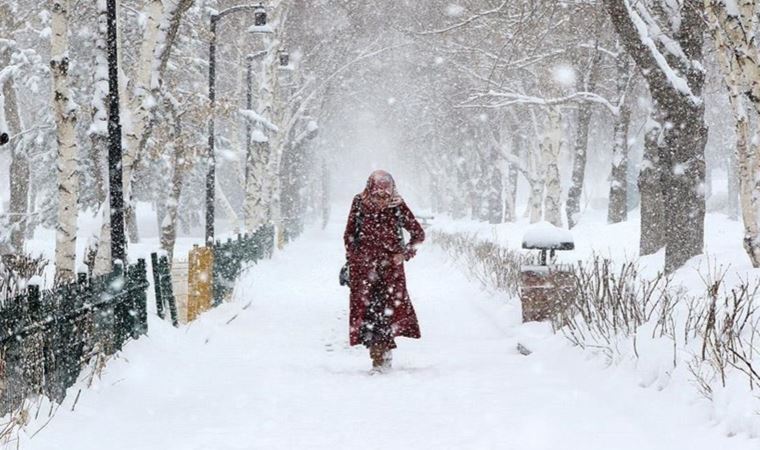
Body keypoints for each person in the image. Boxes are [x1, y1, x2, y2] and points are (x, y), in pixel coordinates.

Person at [343, 170, 425, 373]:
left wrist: (404, 254)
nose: (382, 199)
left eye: (385, 195)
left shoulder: (397, 205)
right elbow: (349, 234)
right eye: (378, 194)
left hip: (391, 273)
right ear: (370, 189)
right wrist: (356, 258)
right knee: (368, 314)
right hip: (364, 271)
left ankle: (382, 356)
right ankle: (378, 354)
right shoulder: (359, 203)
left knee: (386, 313)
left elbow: (418, 234)